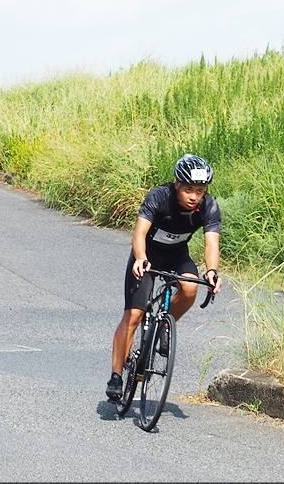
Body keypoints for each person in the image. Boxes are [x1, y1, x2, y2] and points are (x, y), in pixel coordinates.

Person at [105, 154, 223, 401]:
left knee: (190, 288)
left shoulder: (209, 207)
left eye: (200, 191)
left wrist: (212, 271)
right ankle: (116, 376)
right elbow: (139, 233)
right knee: (134, 315)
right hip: (148, 254)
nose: (194, 196)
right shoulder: (159, 196)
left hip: (177, 255)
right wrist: (140, 258)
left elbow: (211, 244)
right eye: (188, 189)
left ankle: (166, 325)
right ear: (177, 184)